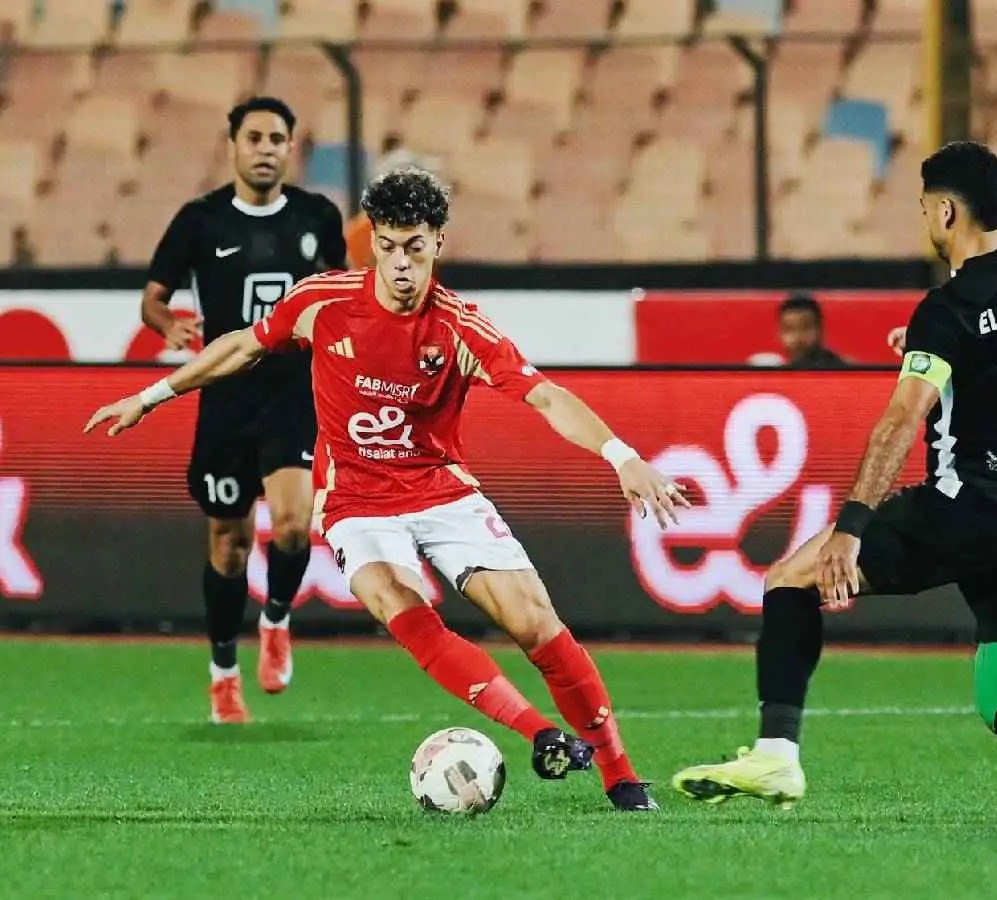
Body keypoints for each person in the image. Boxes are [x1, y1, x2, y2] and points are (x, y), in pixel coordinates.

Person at [90, 167, 688, 812]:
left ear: (438, 244)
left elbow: (545, 395)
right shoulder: (323, 301)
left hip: (442, 491)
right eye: (388, 246)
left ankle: (620, 775)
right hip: (357, 501)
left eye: (415, 247)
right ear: (370, 241)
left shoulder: (461, 326)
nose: (400, 263)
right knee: (393, 597)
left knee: (533, 621)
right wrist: (150, 396)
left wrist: (622, 456)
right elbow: (242, 346)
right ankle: (539, 732)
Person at [672, 141, 997, 825]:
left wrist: (851, 528)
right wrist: (947, 351)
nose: (925, 220)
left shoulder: (945, 311)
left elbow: (900, 422)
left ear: (947, 211)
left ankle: (776, 754)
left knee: (789, 581)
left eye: (925, 209)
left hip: (966, 504)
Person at [139, 96, 347, 724]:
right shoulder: (200, 221)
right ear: (232, 145)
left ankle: (277, 619)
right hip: (226, 398)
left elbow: (341, 293)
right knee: (227, 546)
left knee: (293, 525)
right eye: (254, 137)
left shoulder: (317, 217)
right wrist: (168, 326)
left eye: (276, 139)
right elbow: (153, 298)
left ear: (290, 148)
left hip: (292, 394)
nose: (265, 149)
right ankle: (223, 673)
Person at [777, 293, 848, 368]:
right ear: (779, 333)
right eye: (789, 329)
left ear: (820, 329)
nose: (798, 337)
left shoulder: (843, 368)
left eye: (806, 327)